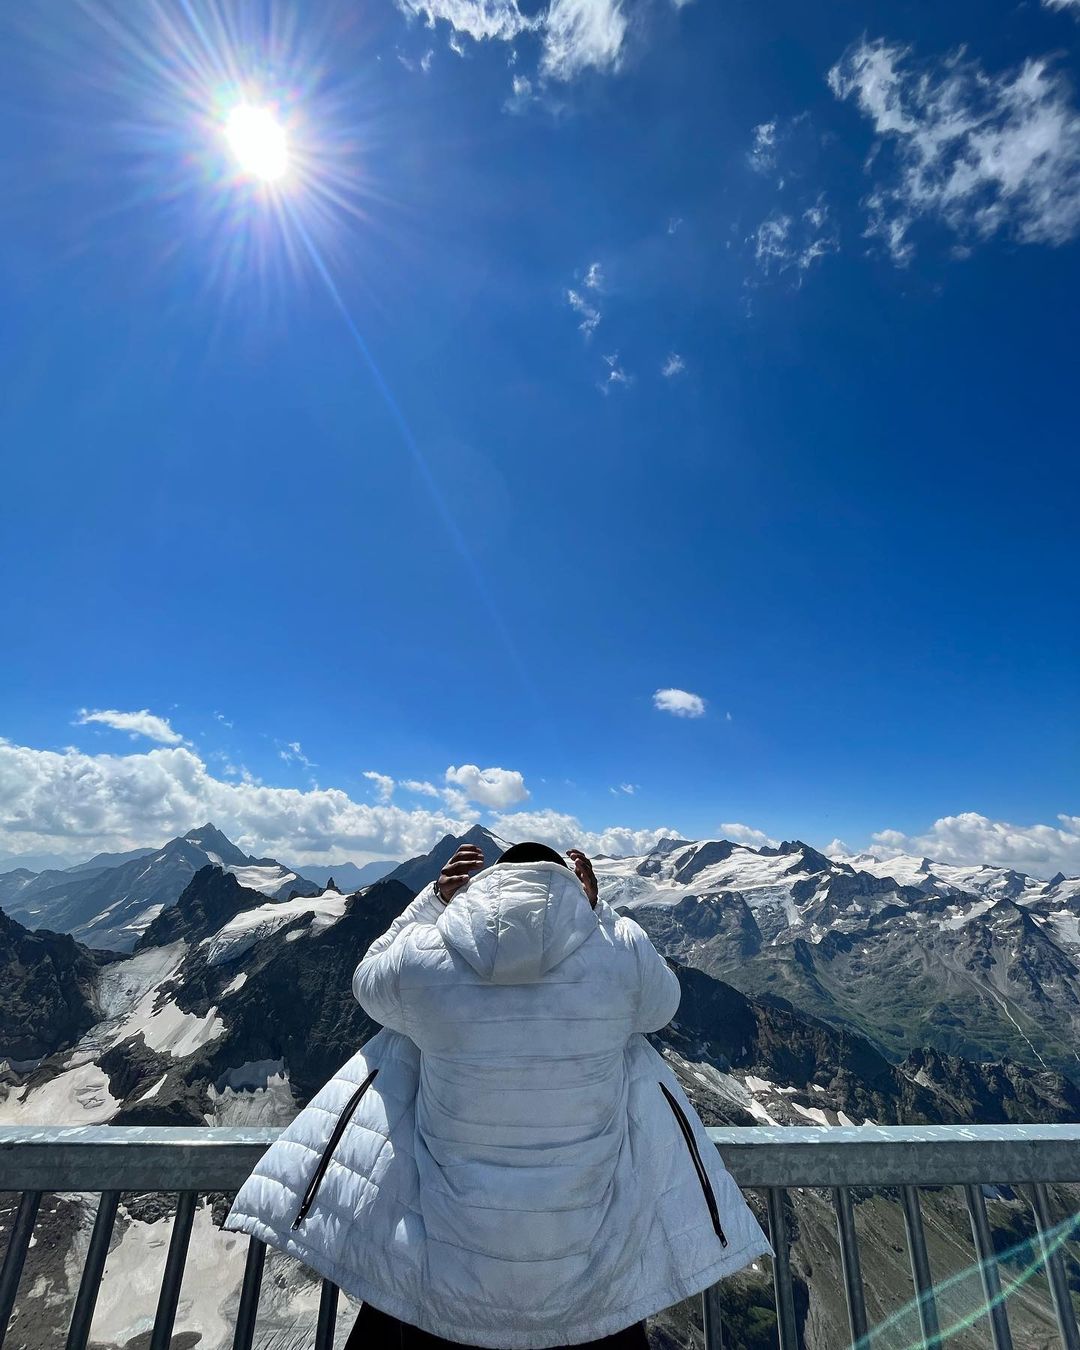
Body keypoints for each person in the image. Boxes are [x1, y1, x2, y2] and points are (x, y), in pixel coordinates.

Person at [225, 841, 770, 1349]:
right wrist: (598, 913)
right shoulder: (618, 952)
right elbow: (661, 1007)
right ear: (567, 884)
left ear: (487, 882)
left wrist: (430, 903)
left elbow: (367, 982)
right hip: (586, 1264)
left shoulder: (424, 955)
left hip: (445, 1262)